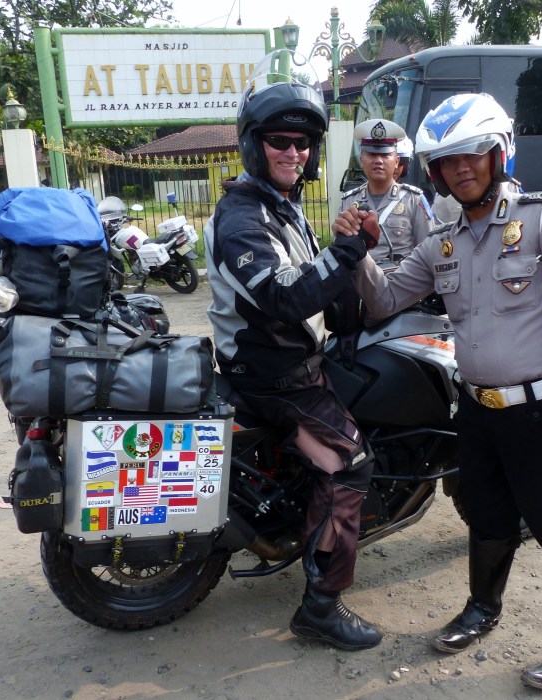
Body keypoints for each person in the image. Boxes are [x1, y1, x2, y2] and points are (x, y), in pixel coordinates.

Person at [334, 93, 542, 693]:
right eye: (447, 161)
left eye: (472, 155)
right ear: (433, 173)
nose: (461, 169)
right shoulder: (442, 243)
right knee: (487, 520)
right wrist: (359, 250)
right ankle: (483, 609)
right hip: (477, 412)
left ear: (498, 155)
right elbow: (384, 300)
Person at [203, 53, 381, 651]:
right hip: (276, 377)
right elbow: (282, 297)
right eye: (280, 140)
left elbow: (315, 287)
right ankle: (321, 608)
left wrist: (352, 294)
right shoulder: (240, 217)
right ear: (254, 144)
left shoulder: (284, 208)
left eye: (303, 142)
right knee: (351, 464)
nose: (294, 152)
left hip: (293, 363)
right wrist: (348, 253)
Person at [340, 119, 432, 263]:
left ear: (396, 162)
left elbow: (428, 251)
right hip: (359, 282)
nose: (378, 160)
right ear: (361, 160)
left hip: (399, 282)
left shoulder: (414, 200)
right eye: (371, 155)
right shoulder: (349, 201)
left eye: (385, 155)